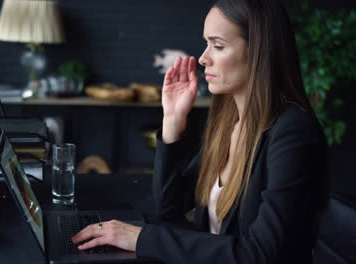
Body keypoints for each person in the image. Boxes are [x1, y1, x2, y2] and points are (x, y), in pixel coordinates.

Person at [71, 0, 329, 263]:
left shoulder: (294, 132)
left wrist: (141, 239)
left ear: (260, 52)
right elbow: (167, 209)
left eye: (218, 46)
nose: (204, 58)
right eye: (207, 44)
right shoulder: (228, 120)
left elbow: (261, 255)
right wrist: (172, 120)